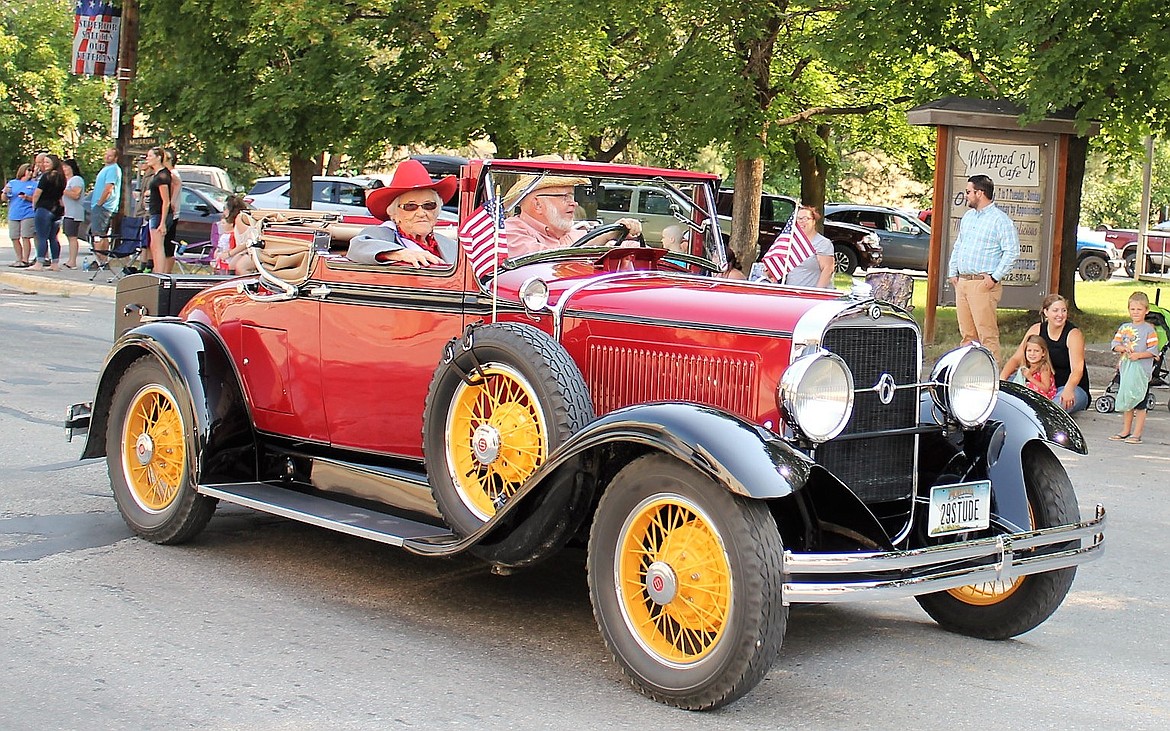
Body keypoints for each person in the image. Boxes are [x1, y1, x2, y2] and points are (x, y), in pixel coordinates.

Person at [946, 174, 1020, 363]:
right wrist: (952, 272)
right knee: (967, 336)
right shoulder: (969, 217)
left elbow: (1012, 251)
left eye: (969, 191)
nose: (967, 195)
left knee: (987, 335)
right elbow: (959, 245)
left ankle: (993, 379)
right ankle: (969, 376)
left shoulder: (1000, 220)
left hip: (982, 284)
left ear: (980, 193)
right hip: (963, 281)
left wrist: (994, 278)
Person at [346, 159, 455, 267]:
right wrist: (399, 254)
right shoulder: (381, 234)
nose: (421, 213)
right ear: (394, 214)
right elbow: (357, 247)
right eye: (410, 206)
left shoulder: (449, 244)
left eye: (429, 205)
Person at [502, 175, 643, 257]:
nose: (574, 203)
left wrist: (626, 235)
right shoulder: (511, 232)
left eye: (572, 196)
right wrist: (606, 236)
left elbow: (610, 248)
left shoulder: (572, 233)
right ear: (538, 204)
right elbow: (547, 261)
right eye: (565, 197)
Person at [1000, 294, 1089, 412]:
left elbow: (1077, 369)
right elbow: (1016, 358)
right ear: (1046, 312)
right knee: (1008, 390)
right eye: (1055, 311)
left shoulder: (1073, 334)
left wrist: (1069, 389)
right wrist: (1002, 380)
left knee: (1053, 407)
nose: (1060, 315)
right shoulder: (1036, 329)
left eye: (1064, 311)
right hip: (1038, 382)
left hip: (1069, 386)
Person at [1107, 291, 1159, 445]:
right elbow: (1114, 345)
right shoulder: (1124, 328)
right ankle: (1125, 430)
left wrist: (1139, 355)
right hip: (1126, 370)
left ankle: (1137, 433)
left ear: (1146, 311)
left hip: (1141, 372)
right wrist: (1123, 348)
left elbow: (1154, 352)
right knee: (1128, 400)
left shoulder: (1149, 330)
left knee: (1140, 403)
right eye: (1133, 309)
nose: (1136, 312)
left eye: (1139, 309)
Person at [28, 153, 66, 271]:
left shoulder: (46, 176)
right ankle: (55, 263)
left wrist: (35, 206)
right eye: (44, 162)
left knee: (42, 236)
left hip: (44, 207)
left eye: (47, 162)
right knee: (53, 237)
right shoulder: (61, 177)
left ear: (53, 163)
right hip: (56, 209)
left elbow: (37, 194)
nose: (44, 164)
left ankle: (39, 262)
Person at [782, 206, 834, 288]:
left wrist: (817, 293)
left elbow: (828, 270)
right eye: (798, 218)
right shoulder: (791, 242)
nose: (801, 222)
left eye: (805, 218)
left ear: (813, 222)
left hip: (811, 295)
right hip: (791, 294)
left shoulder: (823, 243)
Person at [89, 148, 122, 266]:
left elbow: (108, 188)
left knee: (97, 234)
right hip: (101, 206)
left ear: (116, 158)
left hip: (104, 207)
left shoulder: (113, 169)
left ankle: (100, 261)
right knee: (102, 234)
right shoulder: (106, 168)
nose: (107, 157)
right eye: (106, 154)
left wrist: (100, 203)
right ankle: (103, 260)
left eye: (110, 155)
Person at [144, 147, 173, 273]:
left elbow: (166, 200)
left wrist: (162, 222)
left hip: (159, 214)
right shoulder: (157, 175)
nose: (147, 159)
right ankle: (157, 270)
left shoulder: (162, 176)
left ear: (158, 158)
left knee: (158, 246)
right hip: (154, 212)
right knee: (153, 245)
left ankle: (160, 273)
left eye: (150, 156)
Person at [3, 163, 37, 267]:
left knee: (26, 236)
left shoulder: (34, 184)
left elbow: (37, 199)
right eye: (28, 170)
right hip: (14, 213)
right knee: (14, 237)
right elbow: (4, 198)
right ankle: (18, 258)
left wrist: (27, 197)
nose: (30, 173)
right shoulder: (13, 183)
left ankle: (25, 259)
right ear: (22, 171)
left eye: (31, 171)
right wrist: (5, 193)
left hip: (28, 213)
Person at [215, 195, 257, 275]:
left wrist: (229, 254)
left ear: (229, 209)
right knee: (231, 266)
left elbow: (247, 241)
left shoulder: (239, 219)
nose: (224, 212)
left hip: (252, 250)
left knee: (240, 267)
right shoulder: (239, 218)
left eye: (224, 208)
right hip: (247, 250)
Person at [60, 158, 86, 269]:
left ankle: (73, 261)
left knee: (72, 236)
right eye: (63, 167)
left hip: (74, 213)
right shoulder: (66, 181)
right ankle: (70, 259)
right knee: (68, 235)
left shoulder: (76, 179)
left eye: (66, 167)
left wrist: (62, 189)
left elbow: (76, 195)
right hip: (67, 212)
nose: (64, 169)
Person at [1013, 334, 1057, 399]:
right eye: (1029, 350)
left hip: (1044, 397)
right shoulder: (1027, 366)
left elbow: (1045, 389)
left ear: (1043, 353)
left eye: (1036, 351)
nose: (1032, 354)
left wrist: (1030, 378)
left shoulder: (1044, 367)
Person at [161, 148, 183, 273]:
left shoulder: (172, 173)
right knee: (165, 244)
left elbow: (178, 184)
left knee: (167, 244)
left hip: (172, 213)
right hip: (171, 212)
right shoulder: (168, 173)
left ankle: (166, 271)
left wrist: (172, 202)